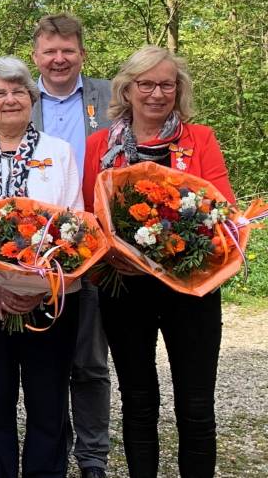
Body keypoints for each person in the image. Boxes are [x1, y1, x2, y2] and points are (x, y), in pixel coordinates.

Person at [82, 46, 232, 478]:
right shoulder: (99, 145)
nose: (156, 93)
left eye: (167, 84)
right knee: (138, 401)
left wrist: (182, 248)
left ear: (178, 90)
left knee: (197, 404)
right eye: (145, 84)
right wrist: (111, 253)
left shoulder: (199, 139)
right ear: (126, 90)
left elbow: (225, 209)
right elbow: (89, 218)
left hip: (193, 287)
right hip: (125, 288)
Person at [0, 56, 84, 478]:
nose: (10, 99)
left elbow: (74, 224)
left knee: (48, 402)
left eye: (18, 91)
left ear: (32, 97)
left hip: (52, 297)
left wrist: (36, 286)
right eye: (0, 92)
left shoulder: (58, 152)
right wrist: (1, 284)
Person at [28, 14, 113, 478]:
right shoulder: (17, 96)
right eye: (50, 51)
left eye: (68, 51)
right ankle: (51, 446)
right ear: (36, 56)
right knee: (45, 360)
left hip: (98, 242)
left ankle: (93, 455)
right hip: (31, 246)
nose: (59, 59)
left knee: (90, 359)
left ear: (82, 53)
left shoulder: (110, 96)